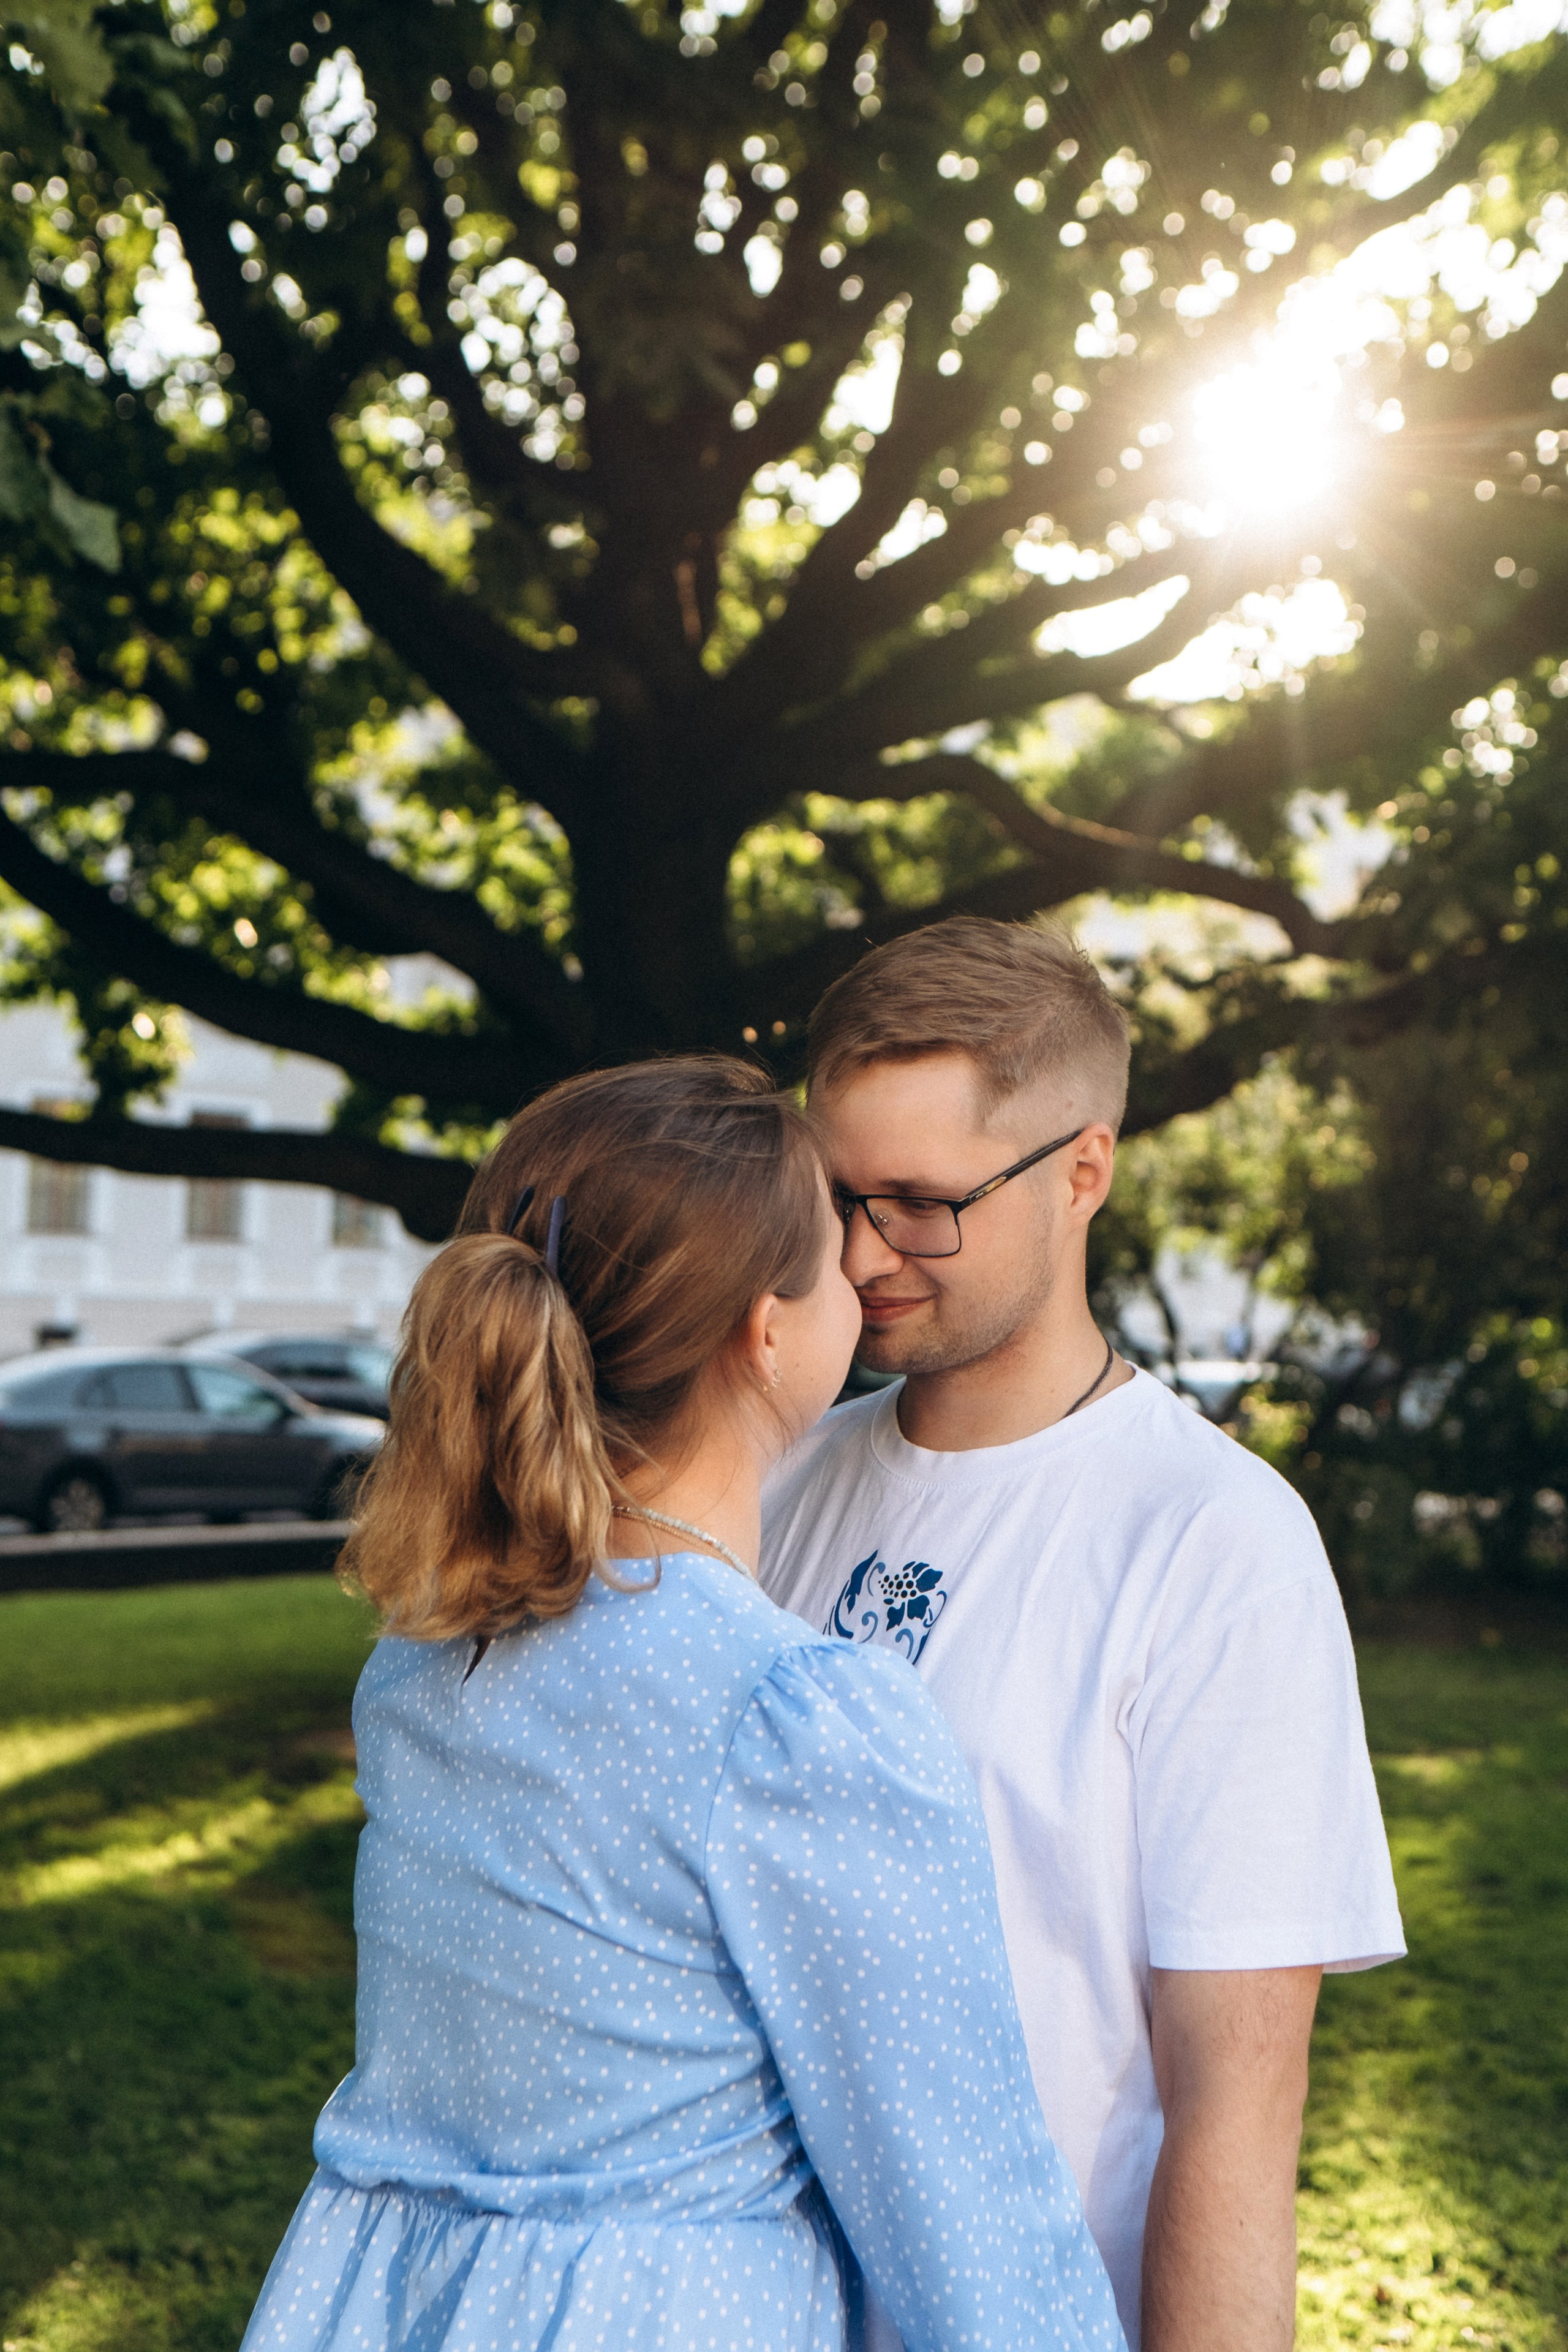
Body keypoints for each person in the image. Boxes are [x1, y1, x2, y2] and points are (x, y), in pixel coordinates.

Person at [240, 1056, 1126, 2352]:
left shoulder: (421, 1663)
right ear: (767, 1330)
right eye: (834, 1251)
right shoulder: (791, 1722)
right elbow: (968, 2220)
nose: (867, 1274)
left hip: (379, 2306)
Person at [760, 921, 1405, 2352]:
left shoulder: (1211, 1542)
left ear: (1080, 1173)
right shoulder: (769, 1473)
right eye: (833, 1195)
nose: (861, 1255)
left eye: (921, 1203)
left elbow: (1235, 2114)